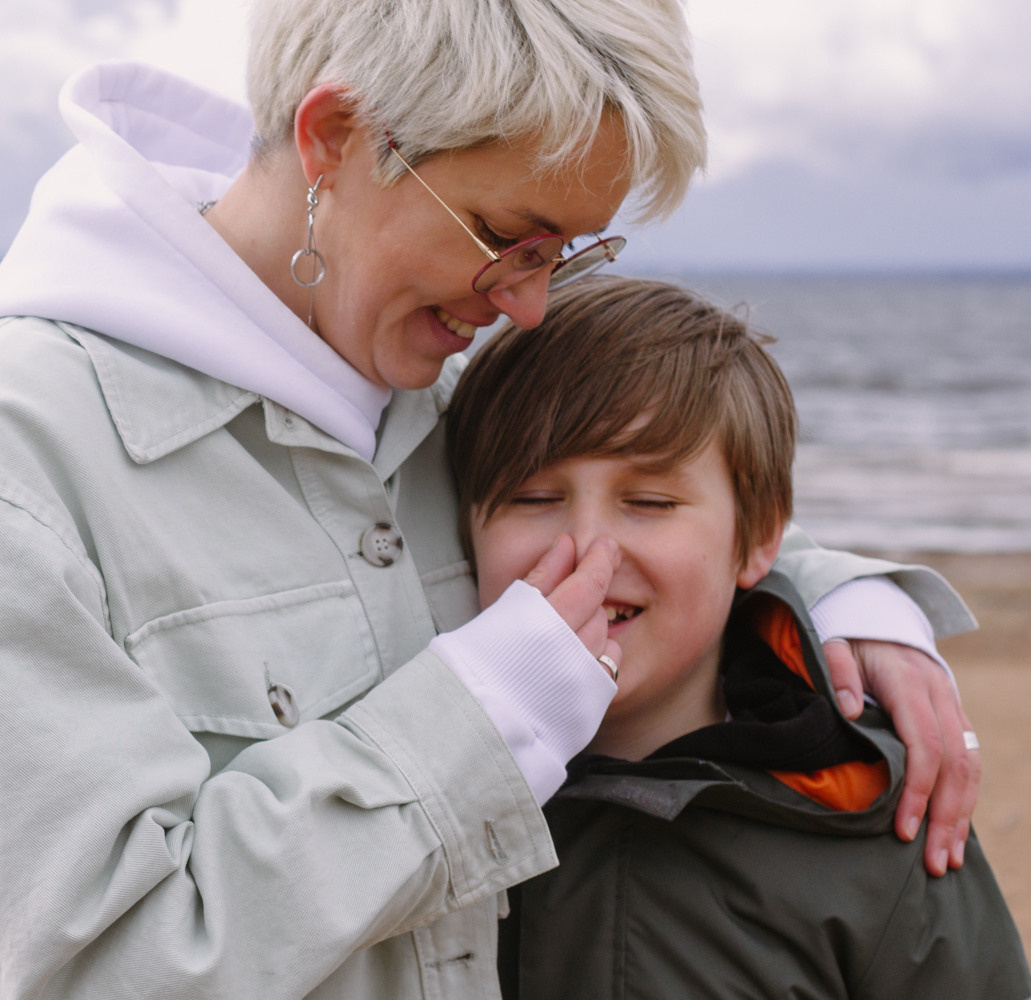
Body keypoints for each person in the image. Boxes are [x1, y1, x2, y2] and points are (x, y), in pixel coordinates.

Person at [0, 1, 978, 997]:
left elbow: (661, 494)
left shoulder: (437, 379)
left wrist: (848, 600)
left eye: (566, 254)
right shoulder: (29, 461)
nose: (527, 305)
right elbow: (95, 962)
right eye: (510, 235)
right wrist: (478, 719)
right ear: (335, 139)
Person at [445, 275, 1030, 999]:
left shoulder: (879, 824)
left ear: (756, 537)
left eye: (650, 501)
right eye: (532, 497)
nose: (590, 553)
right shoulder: (421, 797)